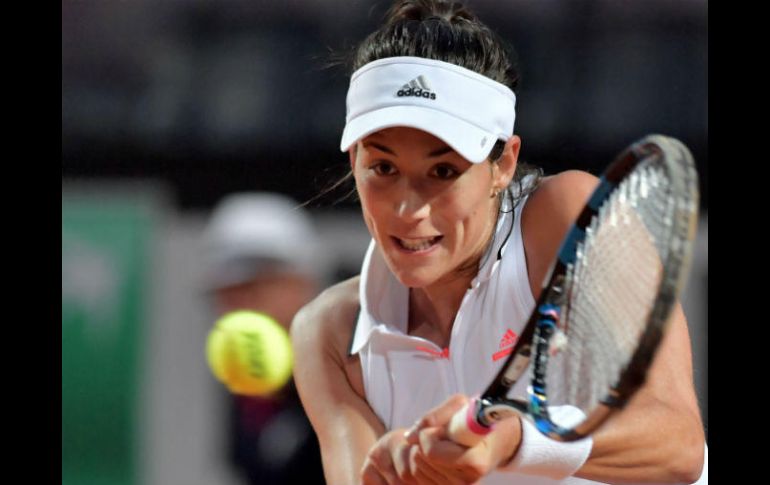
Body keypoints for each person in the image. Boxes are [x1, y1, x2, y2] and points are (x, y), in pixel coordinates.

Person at [290, 1, 707, 484]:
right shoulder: (327, 335)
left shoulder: (568, 214)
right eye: (383, 168)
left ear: (504, 165)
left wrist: (515, 439)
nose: (409, 210)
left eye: (443, 171)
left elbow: (678, 445)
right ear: (353, 161)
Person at [202, 192, 327, 485]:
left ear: (300, 283)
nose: (236, 310)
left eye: (252, 290)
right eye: (226, 296)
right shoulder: (243, 376)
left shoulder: (358, 369)